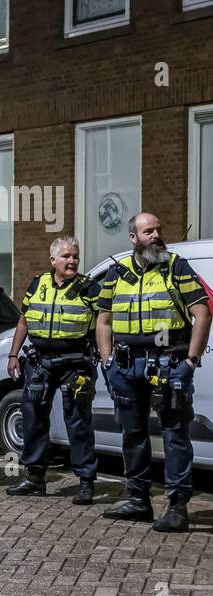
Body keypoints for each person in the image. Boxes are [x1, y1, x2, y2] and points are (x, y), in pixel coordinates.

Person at [96, 212, 211, 532]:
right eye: (149, 231)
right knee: (132, 434)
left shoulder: (175, 266)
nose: (156, 235)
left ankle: (177, 506)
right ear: (133, 238)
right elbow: (103, 320)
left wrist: (191, 360)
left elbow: (202, 313)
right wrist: (106, 360)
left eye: (159, 229)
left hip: (168, 363)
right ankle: (137, 499)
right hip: (125, 365)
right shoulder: (117, 273)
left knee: (175, 435)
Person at [6, 236, 100, 503]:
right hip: (40, 362)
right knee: (33, 420)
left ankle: (85, 482)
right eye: (66, 256)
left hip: (75, 363)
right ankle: (34, 479)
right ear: (53, 261)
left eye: (75, 256)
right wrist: (13, 354)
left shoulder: (89, 288)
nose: (72, 261)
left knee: (78, 423)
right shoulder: (38, 284)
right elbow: (24, 320)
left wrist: (105, 356)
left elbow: (105, 323)